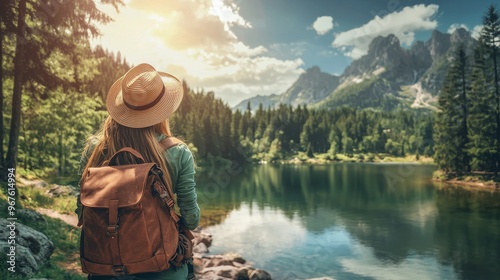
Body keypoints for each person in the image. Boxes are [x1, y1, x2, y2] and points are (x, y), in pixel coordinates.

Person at [75, 63, 200, 280]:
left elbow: (82, 211)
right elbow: (191, 218)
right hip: (161, 268)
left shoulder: (96, 149)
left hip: (103, 269)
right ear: (162, 111)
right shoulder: (176, 152)